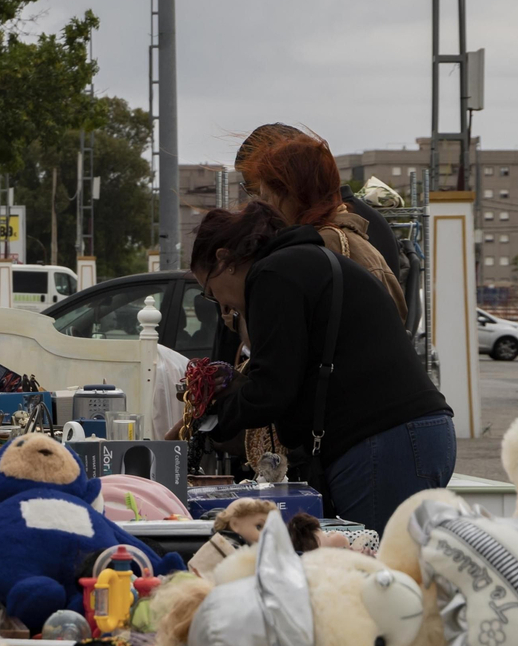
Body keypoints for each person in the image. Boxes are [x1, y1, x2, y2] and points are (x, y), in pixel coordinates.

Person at [193, 196, 454, 533]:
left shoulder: (272, 275)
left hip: (384, 443)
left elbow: (272, 389)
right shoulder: (304, 263)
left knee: (372, 573)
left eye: (211, 292)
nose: (223, 305)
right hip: (411, 434)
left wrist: (212, 419)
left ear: (224, 260)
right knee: (393, 566)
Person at [235, 125, 407, 321]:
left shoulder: (331, 237)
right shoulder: (353, 222)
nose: (261, 204)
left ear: (294, 175)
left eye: (263, 190)